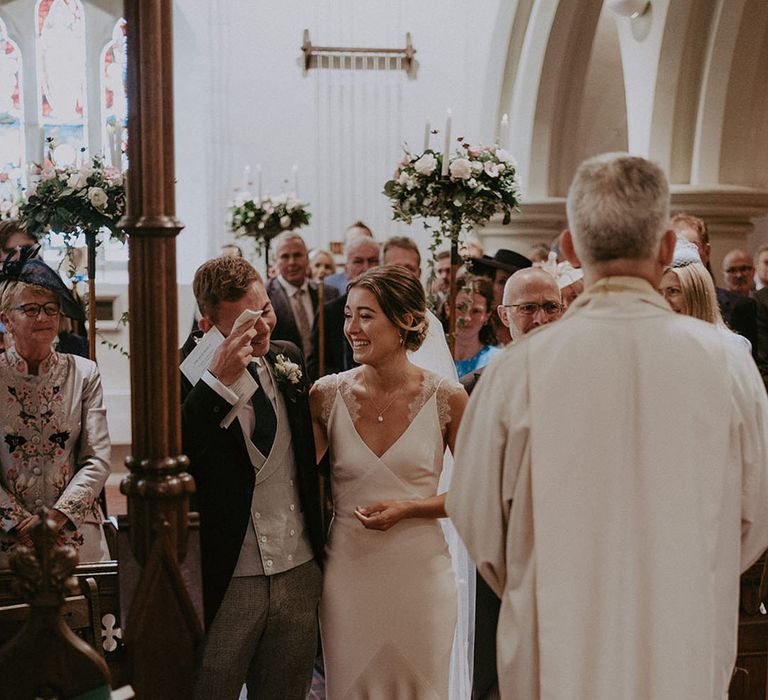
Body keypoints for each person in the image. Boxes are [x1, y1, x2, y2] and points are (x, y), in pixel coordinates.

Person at [447, 153, 768, 699]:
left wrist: (540, 582)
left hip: (558, 646)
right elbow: (754, 515)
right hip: (683, 639)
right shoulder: (728, 364)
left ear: (569, 248)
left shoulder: (517, 372)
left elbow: (477, 521)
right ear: (666, 248)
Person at [309, 265, 468, 698]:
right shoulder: (325, 396)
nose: (352, 329)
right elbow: (299, 483)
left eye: (366, 316)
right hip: (348, 574)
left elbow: (477, 492)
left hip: (420, 576)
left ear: (406, 322)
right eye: (347, 316)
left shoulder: (448, 398)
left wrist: (410, 508)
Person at [181, 256, 324, 700]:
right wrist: (217, 385)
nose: (263, 327)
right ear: (207, 324)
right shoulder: (182, 378)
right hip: (228, 575)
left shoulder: (287, 358)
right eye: (245, 321)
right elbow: (182, 454)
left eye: (264, 310)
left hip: (298, 568)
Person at [0, 249, 110, 565]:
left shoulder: (85, 373)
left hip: (74, 537)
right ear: (6, 318)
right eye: (31, 309)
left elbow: (97, 457)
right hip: (9, 543)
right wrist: (17, 521)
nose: (44, 318)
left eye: (51, 309)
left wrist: (59, 516)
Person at [673, 213, 758, 353]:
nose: (681, 250)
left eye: (690, 246)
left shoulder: (739, 311)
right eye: (674, 247)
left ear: (706, 251)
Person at [308, 235, 380, 378]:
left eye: (372, 261)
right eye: (358, 261)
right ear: (346, 269)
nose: (366, 268)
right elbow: (315, 365)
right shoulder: (328, 312)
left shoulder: (391, 308)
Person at [266, 232, 339, 359]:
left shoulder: (329, 294)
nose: (292, 262)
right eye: (285, 256)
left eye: (297, 255)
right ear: (275, 261)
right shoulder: (266, 296)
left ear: (307, 258)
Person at [659, 260, 752, 352]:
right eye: (659, 293)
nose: (663, 300)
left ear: (697, 296)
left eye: (673, 291)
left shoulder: (733, 346)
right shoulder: (655, 344)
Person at [469, 249, 532, 345]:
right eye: (503, 282)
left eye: (516, 283)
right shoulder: (475, 325)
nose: (509, 289)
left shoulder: (530, 328)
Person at [450, 275, 500, 378]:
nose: (467, 318)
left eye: (476, 311)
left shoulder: (498, 360)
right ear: (448, 309)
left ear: (487, 315)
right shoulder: (433, 355)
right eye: (461, 308)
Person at [323, 221, 374, 293]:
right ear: (344, 249)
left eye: (365, 241)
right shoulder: (329, 285)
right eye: (354, 242)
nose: (360, 247)